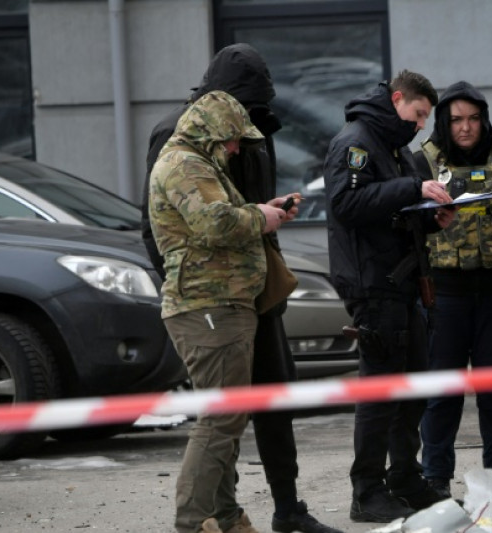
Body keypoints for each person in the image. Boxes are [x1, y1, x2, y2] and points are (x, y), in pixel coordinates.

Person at [143, 44, 342, 533]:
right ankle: (195, 520)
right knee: (221, 418)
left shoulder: (232, 137)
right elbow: (207, 223)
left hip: (242, 297)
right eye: (236, 137)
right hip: (209, 300)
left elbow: (231, 210)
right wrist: (259, 217)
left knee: (248, 409)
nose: (240, 147)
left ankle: (244, 513)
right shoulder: (181, 150)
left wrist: (263, 212)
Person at [323, 70, 456, 523]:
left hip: (401, 283)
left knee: (413, 383)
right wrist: (413, 188)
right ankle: (367, 490)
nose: (421, 125)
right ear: (397, 99)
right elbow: (347, 204)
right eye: (418, 114)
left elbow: (392, 213)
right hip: (372, 284)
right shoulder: (356, 142)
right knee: (379, 393)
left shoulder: (393, 146)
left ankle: (403, 477)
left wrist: (430, 216)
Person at [411, 80, 492, 498]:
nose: (466, 128)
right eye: (457, 120)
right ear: (444, 122)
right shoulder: (420, 163)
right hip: (445, 295)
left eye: (474, 119)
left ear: (485, 119)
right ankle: (435, 476)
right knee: (442, 393)